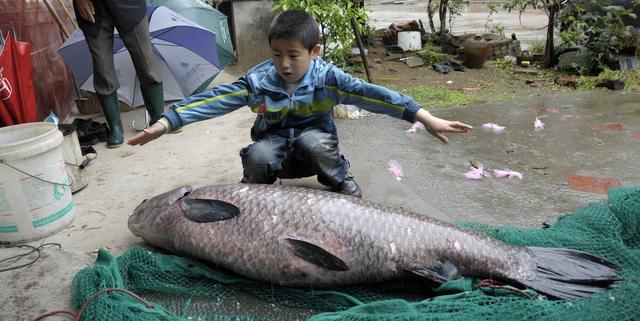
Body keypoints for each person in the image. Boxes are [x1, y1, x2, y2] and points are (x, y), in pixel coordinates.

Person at [128, 9, 472, 198]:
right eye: (277, 54)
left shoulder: (328, 78)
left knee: (313, 140)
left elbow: (377, 95)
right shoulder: (259, 80)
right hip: (276, 150)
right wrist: (168, 121)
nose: (285, 64)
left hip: (315, 150)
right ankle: (260, 193)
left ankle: (338, 179)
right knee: (257, 154)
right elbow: (216, 99)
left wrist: (424, 116)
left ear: (314, 52)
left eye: (294, 55)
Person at [73, 0, 164, 148]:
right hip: (93, 7)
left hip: (130, 5)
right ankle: (115, 128)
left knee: (145, 60)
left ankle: (158, 117)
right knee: (102, 67)